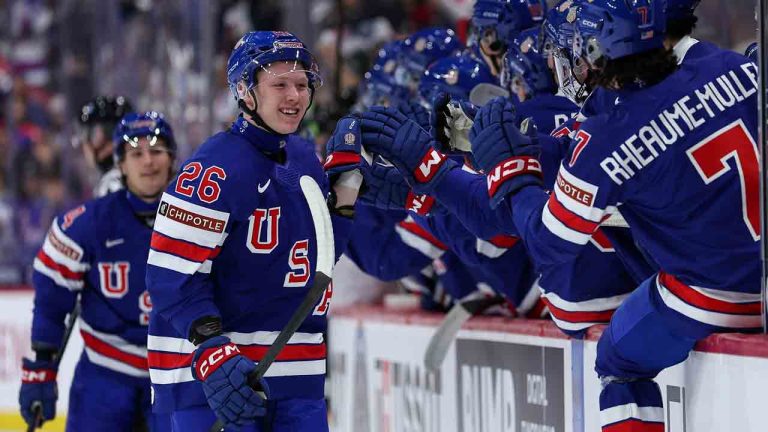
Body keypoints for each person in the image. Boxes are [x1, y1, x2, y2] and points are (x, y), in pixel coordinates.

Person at [464, 0, 761, 430]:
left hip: (709, 300)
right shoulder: (730, 64)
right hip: (765, 282)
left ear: (599, 49)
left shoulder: (606, 134)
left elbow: (550, 244)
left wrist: (514, 175)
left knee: (617, 361)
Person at [145, 31, 364, 432]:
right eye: (279, 84)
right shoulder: (214, 168)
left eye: (302, 84)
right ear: (245, 90)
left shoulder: (303, 160)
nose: (295, 96)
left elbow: (319, 263)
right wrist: (212, 350)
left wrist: (346, 198)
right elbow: (169, 276)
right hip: (218, 380)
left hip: (297, 375)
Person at [19, 111, 177, 431]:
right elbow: (51, 302)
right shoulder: (87, 223)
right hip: (103, 379)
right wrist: (40, 368)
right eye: (136, 154)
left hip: (175, 377)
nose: (148, 162)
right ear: (119, 163)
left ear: (172, 159)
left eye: (157, 151)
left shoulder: (203, 219)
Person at [76, 95, 135, 197]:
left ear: (101, 136)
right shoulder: (134, 175)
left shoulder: (113, 184)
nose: (83, 145)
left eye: (85, 134)